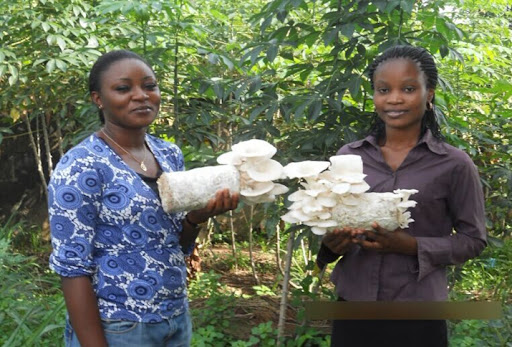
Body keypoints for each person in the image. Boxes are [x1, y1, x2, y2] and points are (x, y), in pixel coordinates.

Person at [48, 49, 239, 347]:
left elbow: (176, 243)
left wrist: (197, 218)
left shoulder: (168, 154)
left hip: (174, 317)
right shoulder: (81, 166)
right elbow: (72, 269)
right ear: (98, 99)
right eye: (123, 88)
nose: (141, 95)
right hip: (118, 325)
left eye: (149, 86)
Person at [316, 45, 486, 347]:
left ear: (429, 93)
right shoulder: (348, 158)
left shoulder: (454, 164)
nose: (394, 98)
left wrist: (412, 246)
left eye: (408, 88)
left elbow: (473, 240)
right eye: (383, 89)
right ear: (374, 95)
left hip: (418, 312)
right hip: (354, 307)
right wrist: (331, 245)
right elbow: (332, 220)